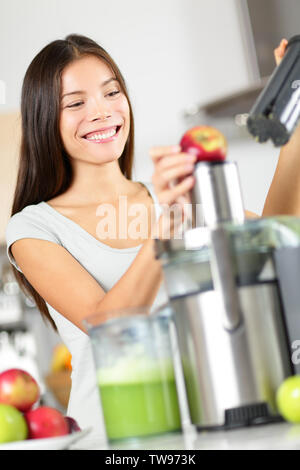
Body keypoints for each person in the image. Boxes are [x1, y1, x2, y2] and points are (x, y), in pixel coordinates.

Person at [5, 33, 288, 440]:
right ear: (44, 117)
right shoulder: (33, 227)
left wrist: (290, 118)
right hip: (116, 435)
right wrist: (164, 230)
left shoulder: (174, 196)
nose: (101, 112)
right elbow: (108, 324)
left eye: (111, 93)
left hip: (214, 423)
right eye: (76, 102)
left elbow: (275, 234)